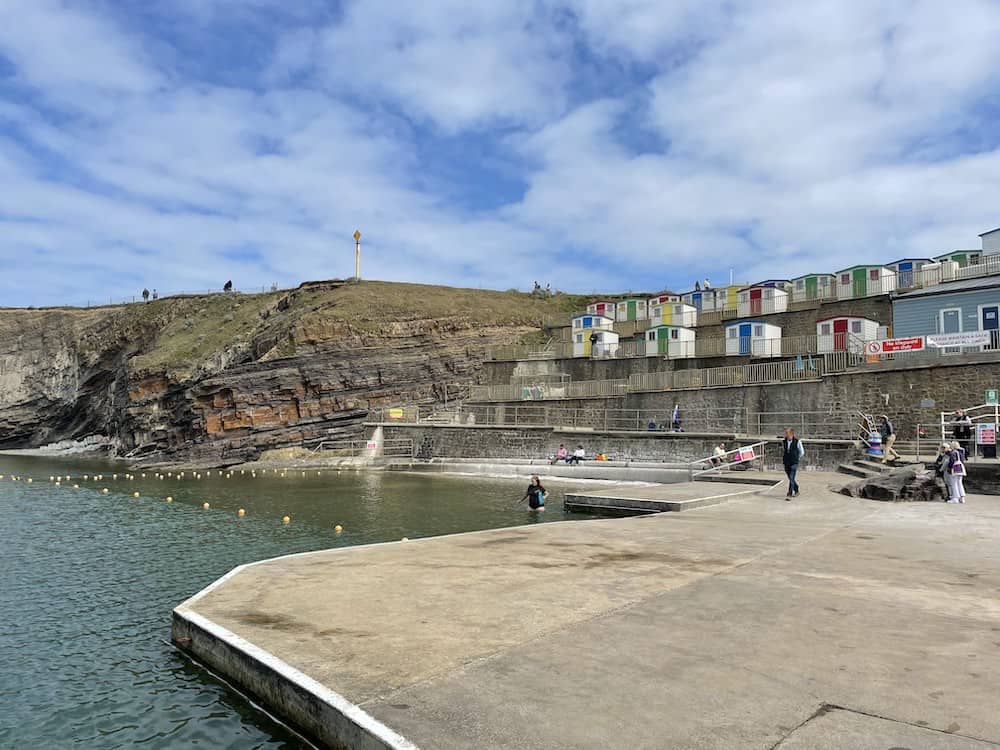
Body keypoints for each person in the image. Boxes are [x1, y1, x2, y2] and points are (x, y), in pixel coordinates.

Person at [782, 427, 804, 500]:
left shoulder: (797, 441)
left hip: (794, 462)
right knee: (790, 478)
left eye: (787, 433)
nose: (786, 434)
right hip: (786, 462)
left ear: (791, 433)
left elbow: (802, 452)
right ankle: (796, 489)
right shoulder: (784, 441)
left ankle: (790, 493)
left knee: (791, 477)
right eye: (786, 433)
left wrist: (797, 458)